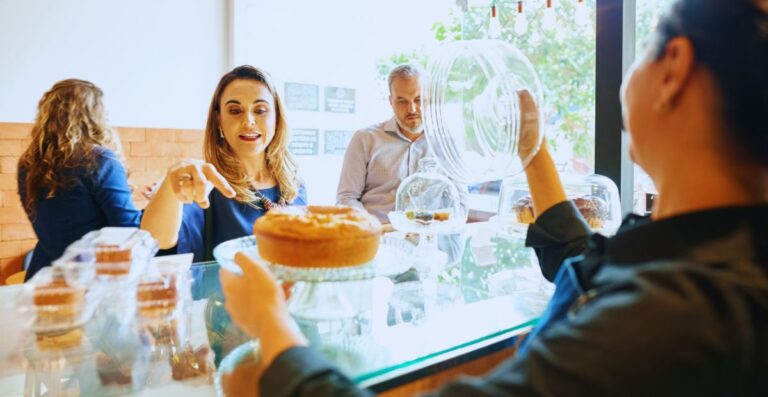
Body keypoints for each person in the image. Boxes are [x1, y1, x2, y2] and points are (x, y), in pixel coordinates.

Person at [221, 0, 768, 395]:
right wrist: (534, 154)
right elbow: (586, 265)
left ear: (673, 69)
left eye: (642, 49)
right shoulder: (699, 253)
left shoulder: (677, 318)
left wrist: (272, 326)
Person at [141, 65, 306, 262]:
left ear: (277, 118)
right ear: (219, 120)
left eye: (260, 110)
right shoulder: (207, 184)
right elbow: (156, 239)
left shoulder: (294, 185)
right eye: (235, 111)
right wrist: (170, 187)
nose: (248, 121)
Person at [17, 79, 142, 281]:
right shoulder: (101, 159)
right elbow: (129, 230)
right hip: (90, 281)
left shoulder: (28, 164)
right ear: (95, 117)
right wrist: (160, 205)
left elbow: (66, 215)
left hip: (44, 276)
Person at [336, 64, 466, 223]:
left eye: (418, 99)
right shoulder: (365, 138)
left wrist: (442, 230)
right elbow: (347, 197)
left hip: (431, 238)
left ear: (429, 99)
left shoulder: (447, 143)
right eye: (402, 101)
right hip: (380, 236)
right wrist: (370, 228)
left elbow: (460, 204)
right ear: (391, 101)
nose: (412, 109)